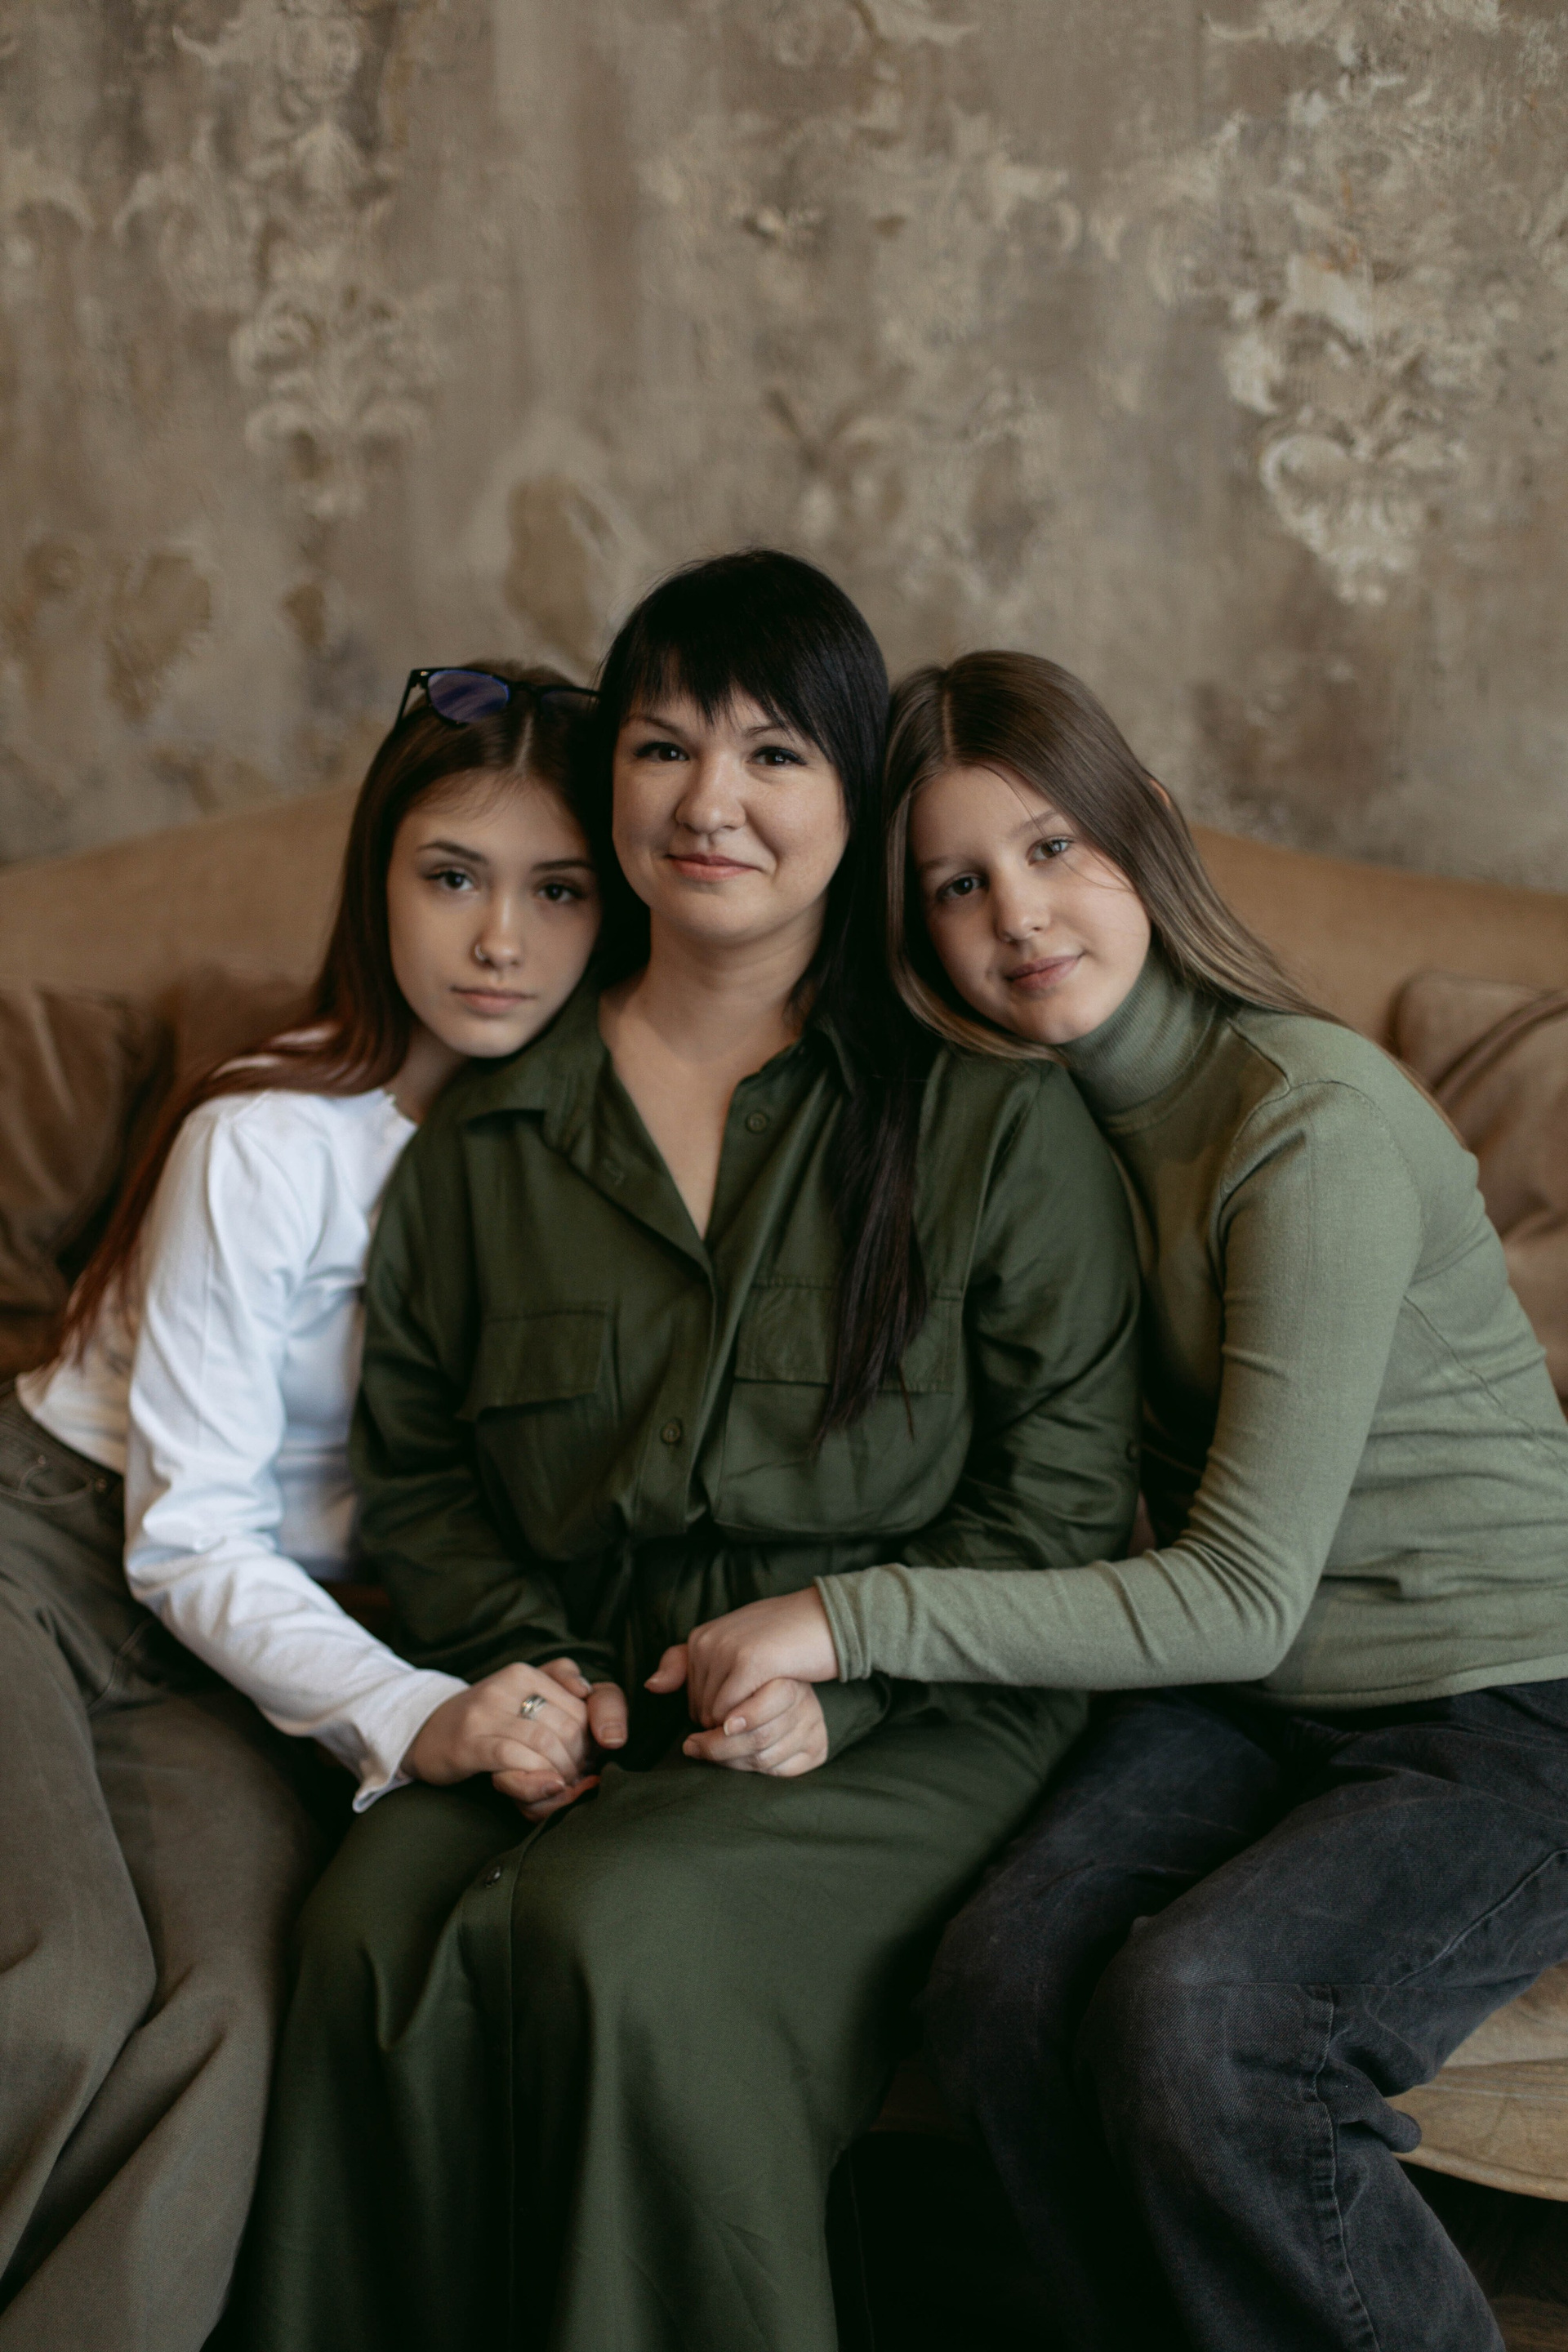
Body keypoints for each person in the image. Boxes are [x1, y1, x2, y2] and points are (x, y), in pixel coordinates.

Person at [234, 555, 1143, 2352]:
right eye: (663, 749)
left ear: (857, 799)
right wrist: (535, 1671)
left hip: (921, 1709)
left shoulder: (986, 1117)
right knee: (359, 1935)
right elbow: (422, 1473)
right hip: (588, 1691)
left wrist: (844, 1685)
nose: (709, 802)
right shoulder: (491, 1129)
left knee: (619, 1931)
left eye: (774, 754)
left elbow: (1058, 1506)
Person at [675, 650, 1568, 2352]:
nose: (1017, 915)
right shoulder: (1033, 1132)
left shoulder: (1305, 1123)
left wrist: (845, 1621)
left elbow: (1237, 1591)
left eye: (1052, 848)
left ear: (1145, 829)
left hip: (1505, 1699)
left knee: (1211, 2026)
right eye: (957, 883)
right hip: (1257, 1703)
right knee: (999, 1991)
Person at [0, 664, 601, 2352]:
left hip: (240, 1643)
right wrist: (414, 1711)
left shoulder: (584, 1167)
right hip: (51, 1547)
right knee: (59, 1984)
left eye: (558, 890)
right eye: (452, 875)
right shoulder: (270, 1135)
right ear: (376, 882)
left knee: (231, 2013)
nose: (501, 940)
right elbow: (188, 1532)